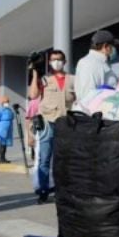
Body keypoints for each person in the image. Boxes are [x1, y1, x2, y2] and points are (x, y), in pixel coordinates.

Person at [28, 49, 75, 204]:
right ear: (49, 62)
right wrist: (35, 72)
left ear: (64, 61)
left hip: (66, 123)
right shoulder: (44, 79)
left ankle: (61, 190)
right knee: (44, 159)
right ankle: (43, 190)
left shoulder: (73, 79)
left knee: (63, 160)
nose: (57, 62)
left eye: (59, 59)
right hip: (47, 122)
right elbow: (33, 95)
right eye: (54, 59)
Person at [74, 29, 119, 101]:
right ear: (106, 46)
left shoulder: (100, 63)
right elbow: (88, 97)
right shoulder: (90, 63)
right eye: (113, 46)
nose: (114, 49)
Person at [0, 96, 14, 163]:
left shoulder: (9, 110)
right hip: (2, 128)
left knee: (5, 144)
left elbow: (12, 116)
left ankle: (4, 158)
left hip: (8, 129)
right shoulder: (0, 110)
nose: (7, 103)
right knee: (2, 143)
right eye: (5, 102)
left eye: (7, 102)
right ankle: (1, 158)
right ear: (2, 103)